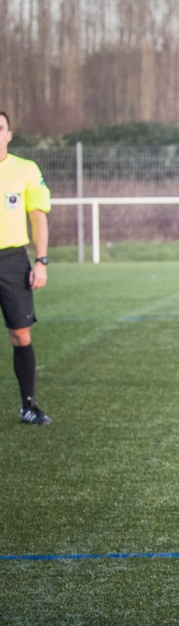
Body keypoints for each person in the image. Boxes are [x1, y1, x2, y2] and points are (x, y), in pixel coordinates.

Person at [0, 111, 52, 424]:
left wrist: (41, 260)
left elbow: (38, 216)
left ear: (8, 134)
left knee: (20, 335)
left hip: (11, 261)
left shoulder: (25, 169)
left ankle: (28, 405)